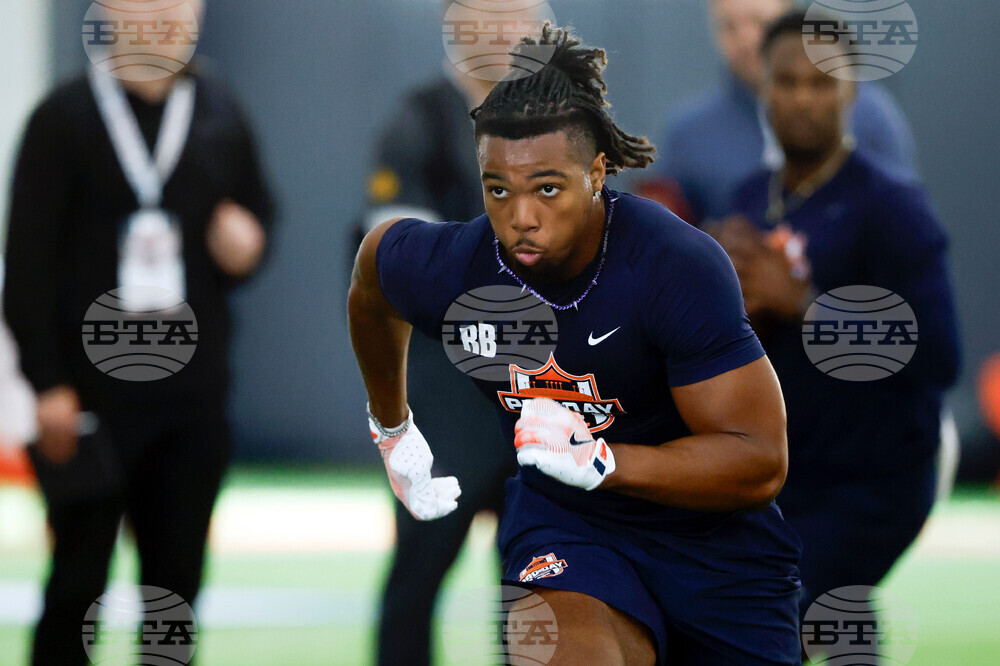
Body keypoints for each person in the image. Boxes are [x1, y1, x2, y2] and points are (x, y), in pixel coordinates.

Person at [349, 24, 802, 665]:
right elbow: (371, 278)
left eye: (548, 188)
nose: (521, 216)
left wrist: (604, 461)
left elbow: (760, 459)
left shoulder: (672, 263)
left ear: (596, 173)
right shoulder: (458, 264)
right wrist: (392, 427)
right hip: (572, 527)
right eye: (497, 189)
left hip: (714, 546)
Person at [2, 1, 275, 662]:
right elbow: (28, 265)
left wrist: (247, 245)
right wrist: (47, 384)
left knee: (175, 594)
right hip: (92, 400)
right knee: (77, 586)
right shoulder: (63, 117)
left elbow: (259, 220)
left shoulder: (218, 109)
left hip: (191, 399)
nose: (167, 16)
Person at [720, 11, 960, 639]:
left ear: (852, 90)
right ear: (762, 87)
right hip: (781, 475)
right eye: (786, 81)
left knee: (766, 629)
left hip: (873, 482)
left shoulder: (891, 206)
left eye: (821, 83)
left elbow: (940, 356)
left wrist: (806, 304)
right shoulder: (748, 197)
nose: (802, 98)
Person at [360, 26, 517, 666]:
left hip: (536, 389)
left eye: (522, 19)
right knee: (420, 569)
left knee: (543, 576)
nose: (508, 36)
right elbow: (398, 264)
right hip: (447, 392)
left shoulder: (560, 120)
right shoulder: (419, 119)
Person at [641, 0, 917, 225]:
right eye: (728, 27)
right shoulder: (688, 134)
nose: (746, 40)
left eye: (759, 22)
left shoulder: (869, 114)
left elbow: (904, 229)